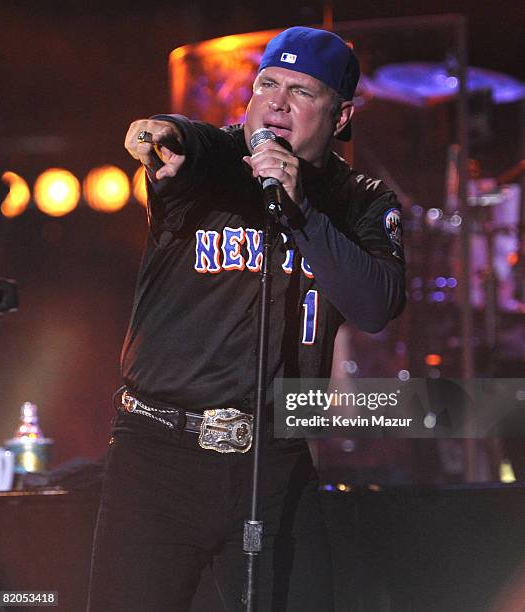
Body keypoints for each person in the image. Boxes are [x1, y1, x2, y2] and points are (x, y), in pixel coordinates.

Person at [87, 26, 405, 612]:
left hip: (276, 464)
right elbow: (192, 141)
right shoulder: (211, 168)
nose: (278, 102)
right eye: (267, 84)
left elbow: (375, 306)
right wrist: (169, 131)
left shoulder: (362, 200)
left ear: (340, 117)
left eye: (302, 91)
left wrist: (301, 210)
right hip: (159, 458)